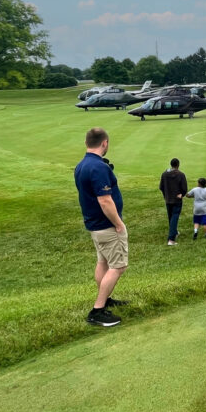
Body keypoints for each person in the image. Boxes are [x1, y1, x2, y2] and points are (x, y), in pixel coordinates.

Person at [74, 127, 128, 327]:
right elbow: (105, 200)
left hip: (95, 225)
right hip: (106, 225)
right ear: (104, 143)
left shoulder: (82, 165)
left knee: (103, 263)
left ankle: (106, 299)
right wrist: (118, 224)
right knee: (119, 266)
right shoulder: (99, 167)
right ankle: (97, 311)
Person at [160, 157, 188, 246]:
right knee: (174, 217)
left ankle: (174, 232)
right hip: (177, 199)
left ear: (171, 164)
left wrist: (166, 194)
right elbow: (184, 188)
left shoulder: (164, 174)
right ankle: (171, 239)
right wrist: (182, 194)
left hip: (168, 199)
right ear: (178, 165)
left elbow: (161, 187)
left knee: (171, 217)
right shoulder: (181, 175)